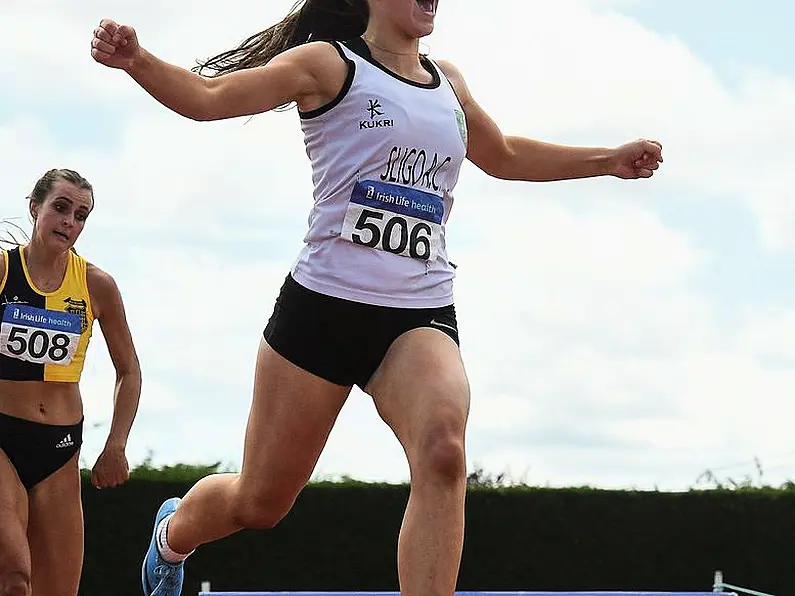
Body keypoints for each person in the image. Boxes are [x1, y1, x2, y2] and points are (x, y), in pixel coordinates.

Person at [89, 1, 663, 595]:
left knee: (444, 450)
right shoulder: (328, 65)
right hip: (322, 312)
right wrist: (137, 61)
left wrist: (607, 161)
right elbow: (207, 98)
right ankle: (172, 536)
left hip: (419, 314)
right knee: (259, 502)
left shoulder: (449, 83)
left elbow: (505, 157)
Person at [0, 169, 142, 596]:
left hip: (60, 447)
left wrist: (116, 443)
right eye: (60, 208)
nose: (69, 222)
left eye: (81, 215)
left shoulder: (96, 284)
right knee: (14, 575)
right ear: (34, 209)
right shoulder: (5, 271)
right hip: (2, 435)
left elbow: (129, 371)